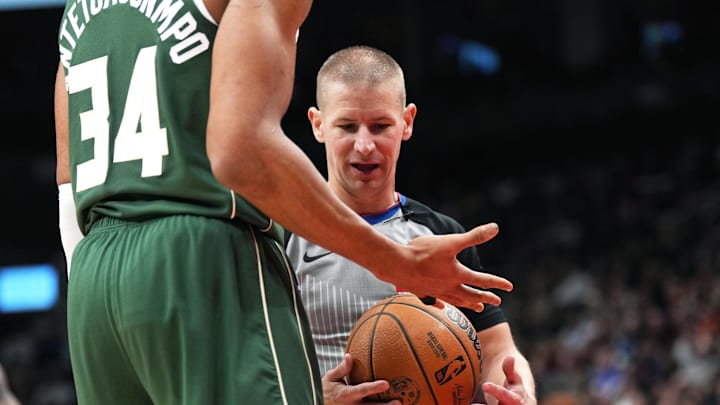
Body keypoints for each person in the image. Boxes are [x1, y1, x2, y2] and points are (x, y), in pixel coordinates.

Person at [54, 1, 514, 404]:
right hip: (196, 248)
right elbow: (239, 152)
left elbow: (67, 178)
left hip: (94, 270)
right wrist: (395, 262)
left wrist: (93, 286)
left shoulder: (81, 9)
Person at [285, 45, 536, 405]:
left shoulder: (440, 234)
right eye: (347, 126)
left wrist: (518, 390)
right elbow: (241, 358)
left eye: (380, 125)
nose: (365, 145)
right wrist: (307, 397)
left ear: (407, 122)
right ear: (318, 124)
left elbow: (498, 351)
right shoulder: (280, 234)